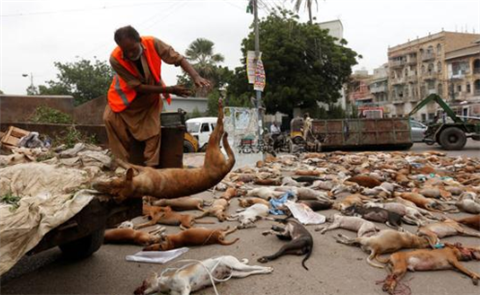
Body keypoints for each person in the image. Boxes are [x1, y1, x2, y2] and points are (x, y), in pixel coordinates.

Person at [104, 25, 210, 167]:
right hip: (124, 101)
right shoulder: (115, 59)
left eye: (133, 49)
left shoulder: (153, 43)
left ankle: (150, 170)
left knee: (153, 132)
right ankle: (123, 166)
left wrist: (196, 76)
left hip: (149, 100)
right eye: (126, 51)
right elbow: (139, 87)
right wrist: (170, 89)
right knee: (109, 119)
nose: (130, 54)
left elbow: (178, 59)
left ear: (139, 40)